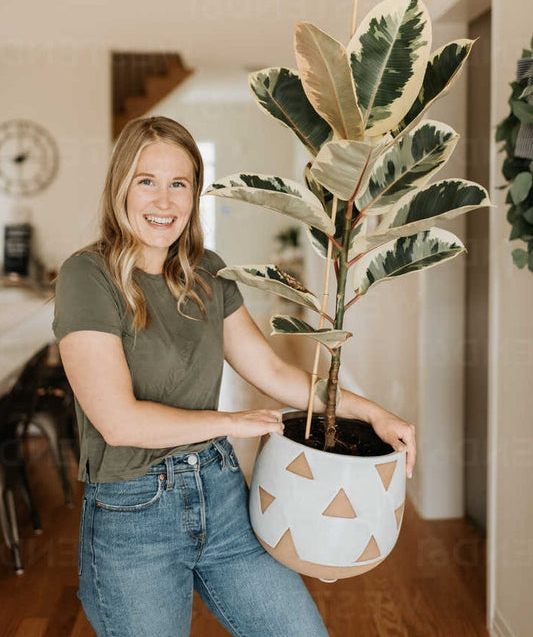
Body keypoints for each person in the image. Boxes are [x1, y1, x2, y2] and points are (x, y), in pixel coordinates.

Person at [53, 115, 416, 637]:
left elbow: (268, 369)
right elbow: (118, 422)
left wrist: (374, 412)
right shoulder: (87, 276)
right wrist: (231, 420)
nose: (163, 201)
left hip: (221, 492)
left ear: (194, 193)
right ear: (120, 188)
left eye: (179, 183)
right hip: (133, 513)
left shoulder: (208, 272)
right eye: (146, 181)